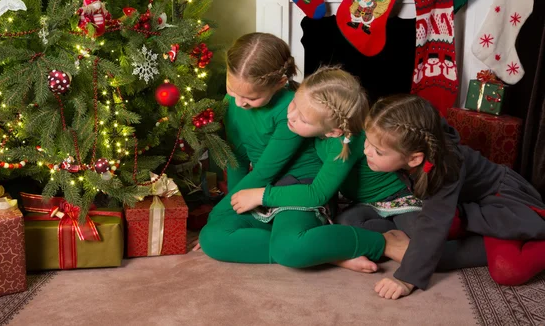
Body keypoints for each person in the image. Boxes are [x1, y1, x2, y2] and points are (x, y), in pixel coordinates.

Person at [199, 35, 409, 269]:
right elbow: (236, 158)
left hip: (298, 188)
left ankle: (382, 242)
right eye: (232, 89)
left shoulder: (297, 111)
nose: (239, 102)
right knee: (211, 238)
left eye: (251, 97)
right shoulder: (236, 103)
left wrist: (223, 210)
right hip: (260, 191)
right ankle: (325, 249)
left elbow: (266, 173)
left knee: (288, 249)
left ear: (280, 82)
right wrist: (226, 211)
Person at [232, 67, 418, 272]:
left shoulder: (345, 141)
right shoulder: (317, 121)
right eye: (294, 103)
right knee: (343, 226)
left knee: (424, 248)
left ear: (333, 131)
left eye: (303, 119)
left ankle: (403, 238)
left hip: (395, 197)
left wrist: (262, 195)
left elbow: (317, 193)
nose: (291, 116)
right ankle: (383, 237)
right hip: (360, 204)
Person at [361, 94, 545, 300]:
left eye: (377, 150)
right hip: (464, 205)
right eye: (366, 141)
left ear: (414, 158)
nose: (366, 150)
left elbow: (433, 223)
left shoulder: (444, 167)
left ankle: (515, 235)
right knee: (421, 235)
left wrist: (406, 278)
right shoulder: (415, 140)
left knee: (507, 269)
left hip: (502, 203)